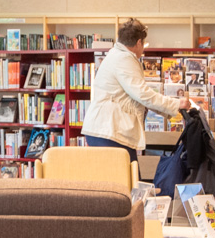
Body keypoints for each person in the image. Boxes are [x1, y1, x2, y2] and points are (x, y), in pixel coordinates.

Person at [79, 18, 195, 162]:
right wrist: (176, 104)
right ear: (139, 42)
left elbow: (140, 96)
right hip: (109, 131)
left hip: (107, 130)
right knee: (125, 173)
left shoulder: (116, 55)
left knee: (127, 172)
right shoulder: (124, 59)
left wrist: (173, 107)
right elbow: (143, 94)